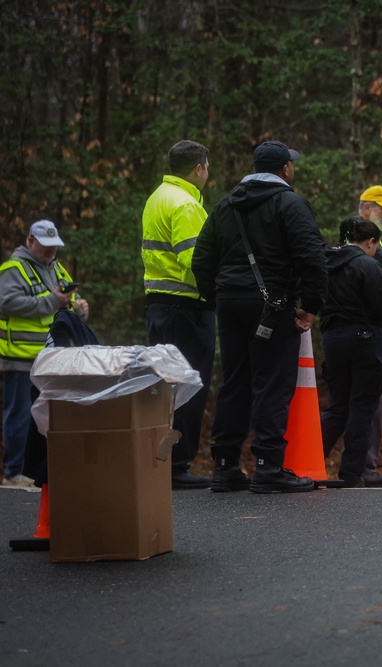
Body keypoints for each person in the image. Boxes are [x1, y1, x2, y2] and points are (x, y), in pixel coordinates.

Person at [192, 140, 326, 494]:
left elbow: (201, 259)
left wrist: (215, 295)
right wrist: (310, 306)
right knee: (272, 382)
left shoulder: (225, 205)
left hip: (230, 302)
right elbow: (312, 257)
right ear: (285, 169)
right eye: (292, 165)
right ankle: (268, 466)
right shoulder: (291, 204)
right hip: (273, 304)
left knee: (234, 380)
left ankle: (225, 466)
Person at [321, 185, 382, 487]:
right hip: (365, 340)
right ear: (369, 241)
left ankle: (307, 460)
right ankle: (353, 472)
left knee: (338, 406)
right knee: (362, 406)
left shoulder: (326, 261)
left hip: (332, 340)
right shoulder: (368, 264)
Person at [141, 139, 215, 490]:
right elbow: (195, 262)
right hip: (186, 307)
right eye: (207, 167)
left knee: (165, 386)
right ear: (199, 168)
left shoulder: (158, 196)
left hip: (160, 305)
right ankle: (178, 463)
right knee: (188, 385)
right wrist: (218, 291)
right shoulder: (186, 205)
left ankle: (163, 459)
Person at [0, 220, 89, 488]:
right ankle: (14, 472)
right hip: (20, 357)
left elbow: (66, 302)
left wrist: (79, 308)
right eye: (45, 246)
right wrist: (53, 301)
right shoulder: (13, 269)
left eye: (54, 247)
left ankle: (39, 471)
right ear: (30, 241)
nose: (51, 252)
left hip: (51, 357)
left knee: (47, 416)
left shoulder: (56, 269)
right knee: (21, 415)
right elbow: (7, 302)